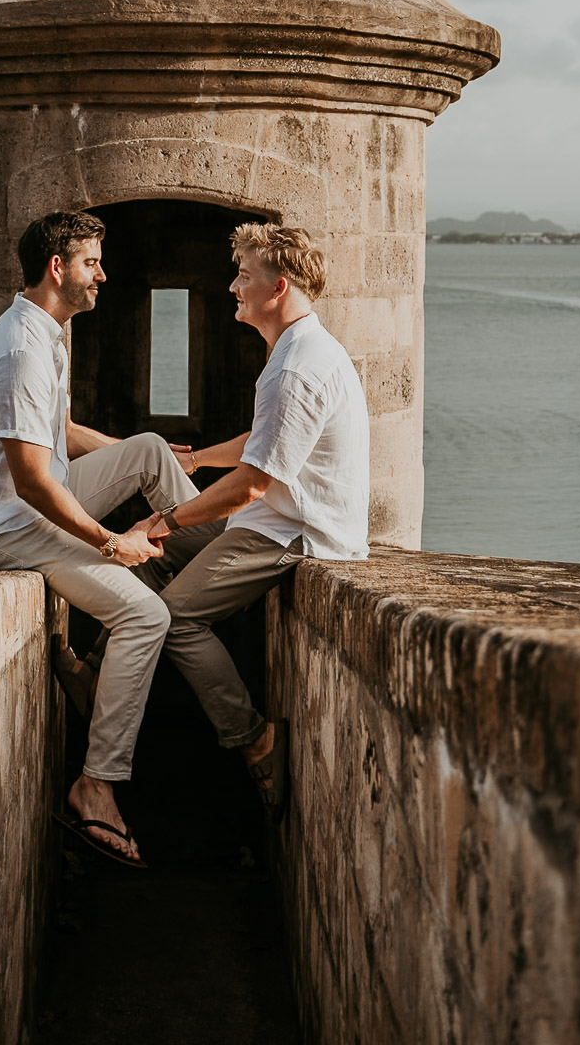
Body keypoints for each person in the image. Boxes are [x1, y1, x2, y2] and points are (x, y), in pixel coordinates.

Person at [0, 209, 198, 867]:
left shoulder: (46, 331)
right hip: (7, 527)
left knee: (149, 450)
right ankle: (96, 785)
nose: (103, 275)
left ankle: (225, 549)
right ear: (57, 268)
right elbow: (33, 482)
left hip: (32, 502)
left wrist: (143, 460)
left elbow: (56, 434)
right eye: (92, 262)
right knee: (146, 614)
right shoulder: (21, 350)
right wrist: (109, 543)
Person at [142, 224, 370, 809]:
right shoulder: (297, 350)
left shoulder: (296, 367)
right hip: (275, 516)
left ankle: (253, 738)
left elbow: (254, 483)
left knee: (177, 617)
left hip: (298, 530)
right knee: (141, 556)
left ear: (280, 286)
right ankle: (98, 670)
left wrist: (168, 518)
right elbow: (264, 440)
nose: (232, 287)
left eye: (244, 276)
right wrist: (195, 459)